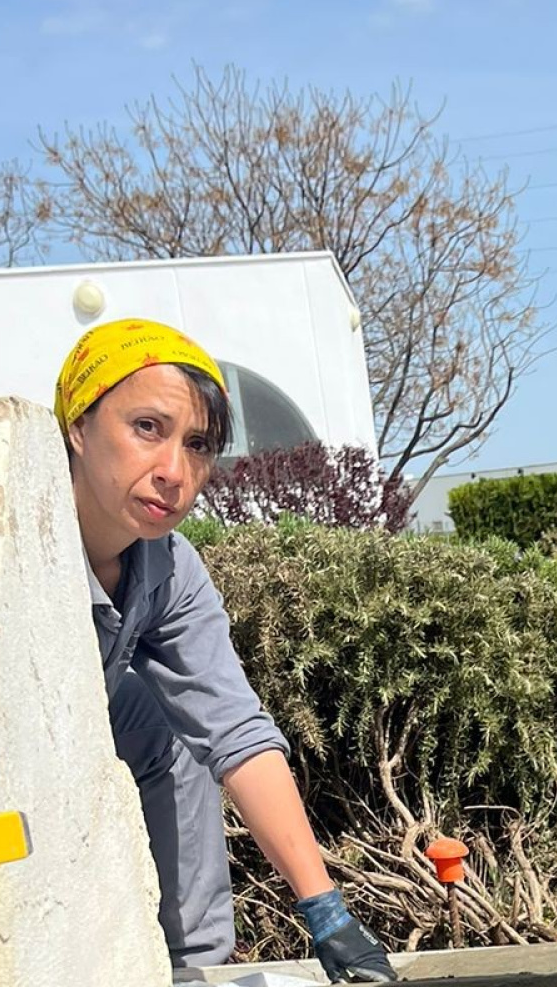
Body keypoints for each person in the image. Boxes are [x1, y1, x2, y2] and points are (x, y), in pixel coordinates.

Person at [56, 319, 395, 983]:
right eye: (146, 428)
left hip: (87, 723)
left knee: (174, 730)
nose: (173, 472)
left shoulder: (168, 567)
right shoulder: (20, 549)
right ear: (79, 426)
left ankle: (193, 967)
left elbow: (234, 729)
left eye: (198, 445)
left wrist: (328, 914)